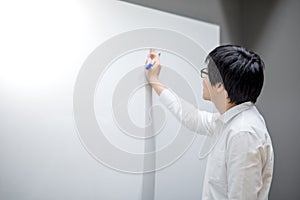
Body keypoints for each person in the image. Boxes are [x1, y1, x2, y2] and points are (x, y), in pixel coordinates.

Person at [145, 46, 274, 200]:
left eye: (205, 74)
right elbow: (192, 117)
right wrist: (154, 80)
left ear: (219, 85)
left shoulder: (243, 133)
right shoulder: (231, 120)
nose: (203, 79)